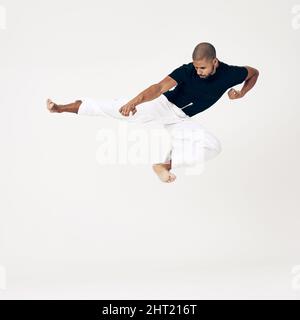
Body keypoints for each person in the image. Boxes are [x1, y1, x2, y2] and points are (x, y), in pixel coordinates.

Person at [47, 42, 259, 183]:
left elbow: (254, 72)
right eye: (196, 67)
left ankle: (164, 165)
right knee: (117, 109)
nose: (198, 72)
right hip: (163, 106)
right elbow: (158, 88)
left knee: (213, 146)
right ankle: (62, 108)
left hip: (181, 120)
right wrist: (135, 101)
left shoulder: (231, 73)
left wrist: (242, 93)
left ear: (214, 62)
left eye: (202, 68)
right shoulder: (186, 70)